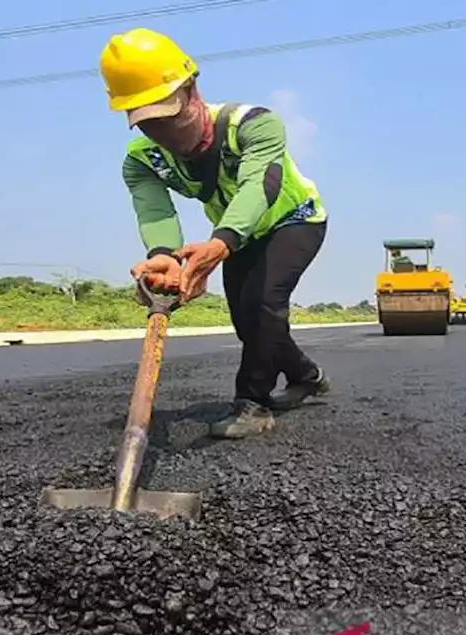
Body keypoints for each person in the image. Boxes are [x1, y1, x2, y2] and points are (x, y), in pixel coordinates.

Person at [101, 28, 332, 440]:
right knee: (248, 321)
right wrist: (164, 255)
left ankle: (253, 404)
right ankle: (307, 376)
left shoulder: (254, 126)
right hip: (235, 236)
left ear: (192, 90)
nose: (167, 135)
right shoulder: (142, 161)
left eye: (170, 116)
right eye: (150, 125)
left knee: (263, 302)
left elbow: (259, 186)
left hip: (294, 219)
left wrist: (220, 243)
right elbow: (154, 210)